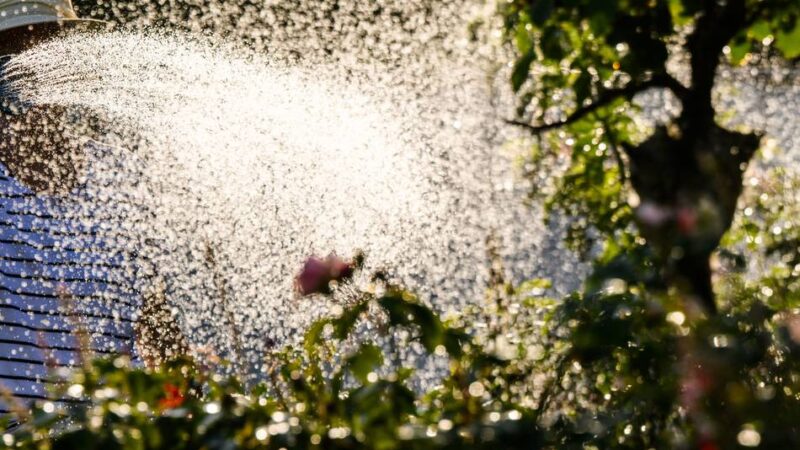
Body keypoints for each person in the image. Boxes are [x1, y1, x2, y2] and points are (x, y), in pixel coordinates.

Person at [0, 0, 148, 429]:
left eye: (44, 48)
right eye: (11, 55)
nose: (31, 71)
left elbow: (156, 325)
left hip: (118, 432)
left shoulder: (124, 177)